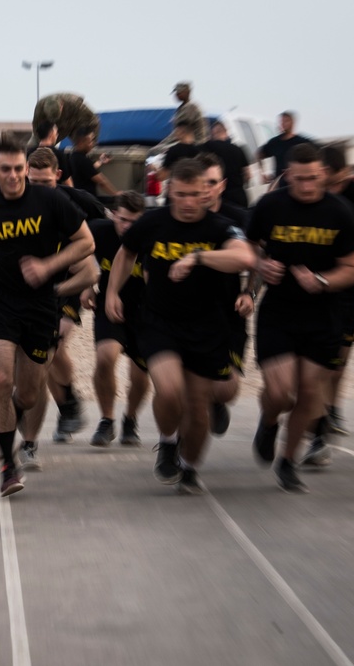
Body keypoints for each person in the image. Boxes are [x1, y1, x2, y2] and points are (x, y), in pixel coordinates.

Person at [106, 159, 254, 493]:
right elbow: (125, 254)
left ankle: (189, 468)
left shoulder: (221, 228)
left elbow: (244, 258)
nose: (188, 202)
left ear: (207, 193)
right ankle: (168, 442)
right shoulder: (153, 223)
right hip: (160, 322)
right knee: (170, 390)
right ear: (170, 191)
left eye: (195, 195)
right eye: (181, 194)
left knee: (198, 407)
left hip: (207, 327)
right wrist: (112, 292)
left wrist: (198, 257)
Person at [0, 134, 95, 496]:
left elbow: (87, 243)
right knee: (2, 379)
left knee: (29, 394)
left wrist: (49, 265)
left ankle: (11, 425)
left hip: (41, 307)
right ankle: (7, 463)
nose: (14, 175)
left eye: (19, 168)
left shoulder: (51, 201)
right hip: (0, 304)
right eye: (7, 169)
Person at [246, 144, 354, 493]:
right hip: (278, 311)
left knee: (309, 393)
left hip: (324, 313)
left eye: (313, 178)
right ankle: (269, 422)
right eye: (299, 179)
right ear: (288, 175)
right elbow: (249, 246)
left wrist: (323, 281)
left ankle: (288, 460)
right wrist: (260, 264)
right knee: (282, 394)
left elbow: (353, 268)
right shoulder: (271, 205)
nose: (307, 186)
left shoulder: (341, 212)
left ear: (323, 174)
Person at [302, 145, 354, 464]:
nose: (333, 188)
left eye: (339, 181)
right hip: (306, 293)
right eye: (328, 181)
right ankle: (319, 423)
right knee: (313, 366)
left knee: (337, 360)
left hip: (347, 290)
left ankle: (330, 410)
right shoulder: (298, 194)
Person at [16, 148, 100, 465]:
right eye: (33, 182)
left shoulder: (78, 202)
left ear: (58, 177)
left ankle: (32, 438)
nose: (39, 189)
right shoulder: (13, 204)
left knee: (49, 352)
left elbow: (105, 235)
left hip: (66, 284)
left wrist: (92, 282)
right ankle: (69, 402)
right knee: (40, 362)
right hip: (29, 290)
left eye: (45, 182)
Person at [81, 191, 150, 447]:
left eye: (134, 222)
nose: (127, 226)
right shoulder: (99, 230)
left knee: (141, 374)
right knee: (105, 357)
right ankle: (107, 420)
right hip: (109, 306)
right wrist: (88, 284)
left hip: (144, 311)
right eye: (122, 220)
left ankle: (130, 418)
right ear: (113, 215)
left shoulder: (151, 236)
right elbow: (81, 250)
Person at [195, 153, 253, 438]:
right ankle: (180, 444)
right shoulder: (177, 216)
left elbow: (260, 260)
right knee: (189, 384)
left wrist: (250, 292)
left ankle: (217, 402)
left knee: (225, 389)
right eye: (201, 182)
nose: (206, 189)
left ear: (222, 185)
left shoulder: (240, 219)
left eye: (212, 182)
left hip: (228, 311)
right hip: (189, 311)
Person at [201, 121, 251, 208]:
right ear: (226, 131)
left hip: (221, 197)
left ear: (213, 133)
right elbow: (248, 175)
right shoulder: (239, 149)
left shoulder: (208, 147)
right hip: (239, 195)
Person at [258, 112, 313, 184]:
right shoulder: (275, 142)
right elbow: (259, 154)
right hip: (280, 182)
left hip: (298, 182)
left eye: (286, 121)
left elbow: (317, 155)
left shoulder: (302, 142)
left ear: (293, 123)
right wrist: (262, 173)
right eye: (281, 121)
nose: (283, 124)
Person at [30, 92, 100, 148]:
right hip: (51, 130)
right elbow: (36, 128)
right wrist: (43, 146)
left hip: (72, 125)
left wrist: (92, 142)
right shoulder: (40, 107)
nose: (55, 121)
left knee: (82, 147)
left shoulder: (74, 103)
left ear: (61, 106)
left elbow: (93, 121)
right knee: (32, 147)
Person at [69, 126, 120, 201]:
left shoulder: (72, 156)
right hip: (88, 202)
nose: (93, 144)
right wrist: (116, 194)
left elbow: (88, 170)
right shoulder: (83, 160)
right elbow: (102, 182)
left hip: (79, 200)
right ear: (80, 142)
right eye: (91, 141)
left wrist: (101, 161)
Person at [26, 121, 72, 186]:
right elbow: (66, 181)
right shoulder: (59, 154)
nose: (57, 135)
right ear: (51, 134)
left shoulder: (29, 152)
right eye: (56, 133)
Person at [159, 120, 201, 186]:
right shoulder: (201, 150)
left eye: (176, 131)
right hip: (195, 190)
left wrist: (154, 168)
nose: (175, 133)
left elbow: (161, 177)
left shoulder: (174, 150)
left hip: (177, 190)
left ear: (181, 132)